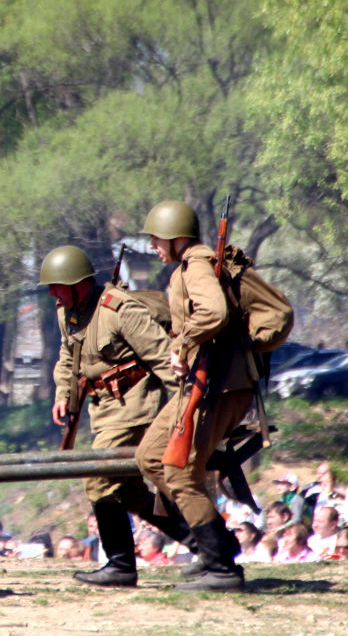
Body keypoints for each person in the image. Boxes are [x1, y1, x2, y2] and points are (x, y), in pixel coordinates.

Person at [42, 245, 189, 588]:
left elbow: (160, 356)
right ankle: (210, 546)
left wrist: (187, 404)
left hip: (136, 406)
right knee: (131, 493)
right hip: (103, 411)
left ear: (78, 284)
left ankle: (120, 565)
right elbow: (68, 356)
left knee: (98, 478)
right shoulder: (68, 311)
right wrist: (64, 393)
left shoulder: (118, 309)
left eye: (56, 286)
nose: (52, 295)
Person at [133, 200, 256, 591]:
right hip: (201, 384)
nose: (153, 246)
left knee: (180, 473)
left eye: (156, 239)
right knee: (150, 456)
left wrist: (182, 344)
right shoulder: (188, 267)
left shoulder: (196, 265)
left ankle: (221, 568)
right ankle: (217, 545)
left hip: (218, 385)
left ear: (174, 236)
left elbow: (214, 312)